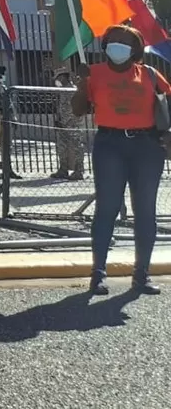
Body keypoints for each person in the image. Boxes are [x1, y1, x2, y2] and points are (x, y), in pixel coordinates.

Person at [72, 25, 170, 296]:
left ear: (136, 49)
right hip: (109, 145)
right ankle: (98, 274)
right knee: (107, 209)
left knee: (145, 211)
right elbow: (78, 110)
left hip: (147, 147)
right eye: (113, 40)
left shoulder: (149, 74)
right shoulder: (93, 73)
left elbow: (167, 102)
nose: (118, 45)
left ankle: (142, 276)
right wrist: (82, 85)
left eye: (126, 41)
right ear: (104, 45)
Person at [51, 69, 86, 181]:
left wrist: (66, 122)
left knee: (77, 147)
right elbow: (61, 108)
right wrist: (59, 120)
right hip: (63, 124)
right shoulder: (63, 90)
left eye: (57, 79)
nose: (57, 81)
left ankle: (79, 171)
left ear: (62, 78)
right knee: (62, 147)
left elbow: (74, 109)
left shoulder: (72, 90)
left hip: (73, 124)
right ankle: (63, 169)